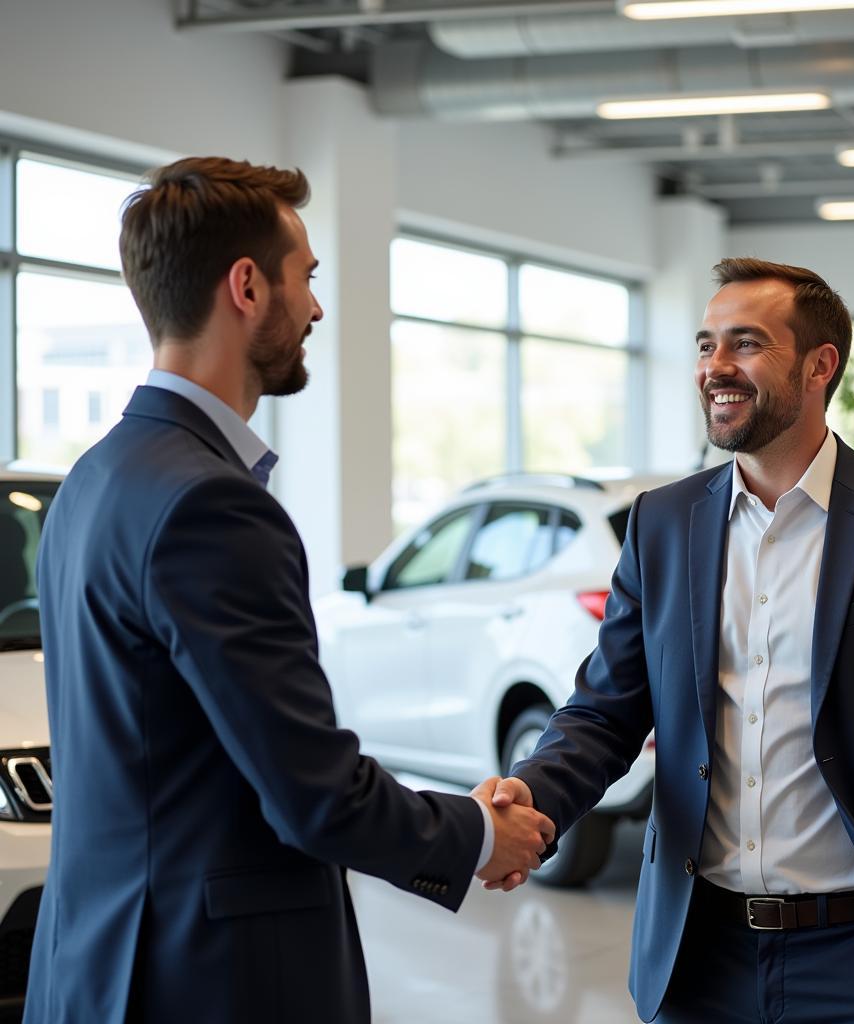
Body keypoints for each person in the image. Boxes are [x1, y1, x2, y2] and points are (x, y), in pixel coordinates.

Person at [23, 156, 553, 1024]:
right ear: (246, 286)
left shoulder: (92, 478)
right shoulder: (211, 503)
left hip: (95, 965)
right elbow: (314, 793)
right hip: (206, 982)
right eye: (305, 278)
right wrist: (483, 834)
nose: (314, 307)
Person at [480, 258, 854, 1023]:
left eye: (745, 344)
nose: (715, 368)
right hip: (697, 958)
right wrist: (528, 799)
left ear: (818, 366)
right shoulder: (662, 525)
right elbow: (606, 713)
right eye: (705, 346)